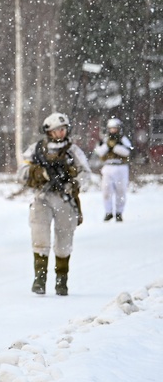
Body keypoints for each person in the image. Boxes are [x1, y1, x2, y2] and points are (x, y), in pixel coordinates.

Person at [18, 112, 91, 296]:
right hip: (42, 196)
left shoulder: (73, 151)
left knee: (64, 240)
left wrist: (73, 183)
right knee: (40, 237)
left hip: (65, 198)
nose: (61, 133)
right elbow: (22, 173)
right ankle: (40, 279)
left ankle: (61, 280)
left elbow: (86, 173)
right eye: (57, 130)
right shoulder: (36, 149)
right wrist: (40, 173)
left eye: (64, 129)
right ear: (48, 131)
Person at [92, 117, 133, 222]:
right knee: (106, 191)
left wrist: (115, 147)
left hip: (121, 167)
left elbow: (127, 152)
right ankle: (108, 212)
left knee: (121, 191)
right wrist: (108, 146)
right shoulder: (105, 140)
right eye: (111, 128)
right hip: (108, 166)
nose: (113, 131)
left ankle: (119, 212)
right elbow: (99, 152)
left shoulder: (123, 139)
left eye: (115, 128)